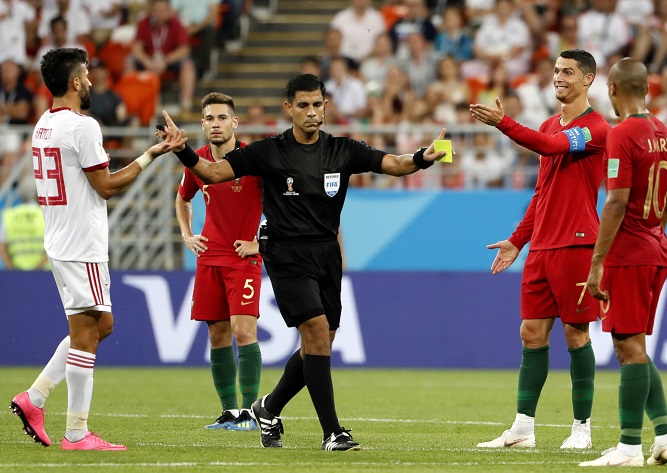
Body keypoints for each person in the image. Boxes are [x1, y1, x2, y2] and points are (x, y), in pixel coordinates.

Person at [162, 73, 448, 451]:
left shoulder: (342, 149)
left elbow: (392, 163)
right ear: (289, 109)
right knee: (314, 331)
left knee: (322, 340)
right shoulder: (268, 151)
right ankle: (333, 431)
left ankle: (269, 406)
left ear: (325, 107)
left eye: (317, 104)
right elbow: (213, 173)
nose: (311, 112)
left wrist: (422, 157)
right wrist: (183, 150)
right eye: (303, 105)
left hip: (327, 252)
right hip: (286, 253)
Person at [9, 47, 184, 451]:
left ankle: (33, 398)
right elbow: (105, 186)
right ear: (74, 81)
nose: (90, 81)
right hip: (81, 244)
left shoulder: (43, 124)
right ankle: (76, 432)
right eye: (86, 75)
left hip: (60, 239)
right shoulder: (83, 127)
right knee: (89, 332)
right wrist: (152, 155)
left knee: (100, 326)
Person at [470, 49, 610, 449]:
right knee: (531, 333)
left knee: (576, 334)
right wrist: (518, 239)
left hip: (577, 244)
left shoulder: (595, 128)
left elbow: (551, 148)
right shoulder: (551, 124)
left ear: (588, 80)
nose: (558, 77)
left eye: (568, 72)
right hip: (543, 248)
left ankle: (581, 429)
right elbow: (542, 192)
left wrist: (504, 124)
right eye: (555, 70)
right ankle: (522, 429)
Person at [581, 57, 667, 468]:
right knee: (635, 345)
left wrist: (597, 262)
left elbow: (617, 199)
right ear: (646, 89)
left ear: (611, 90)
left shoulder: (622, 134)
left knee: (627, 346)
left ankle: (628, 448)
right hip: (657, 247)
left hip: (628, 253)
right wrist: (654, 235)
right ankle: (666, 438)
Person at [173, 92, 263, 431]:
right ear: (202, 124)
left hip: (243, 257)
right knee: (217, 334)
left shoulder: (253, 159)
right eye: (209, 118)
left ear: (235, 122)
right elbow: (182, 200)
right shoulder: (195, 161)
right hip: (209, 256)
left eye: (222, 117)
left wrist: (260, 241)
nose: (216, 124)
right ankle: (229, 413)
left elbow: (283, 204)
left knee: (243, 330)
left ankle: (251, 412)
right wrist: (187, 234)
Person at [0, 178, 48, 270]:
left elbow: (2, 247)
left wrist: (12, 268)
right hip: (44, 274)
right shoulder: (45, 215)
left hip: (16, 274)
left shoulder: (9, 216)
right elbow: (53, 245)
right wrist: (39, 267)